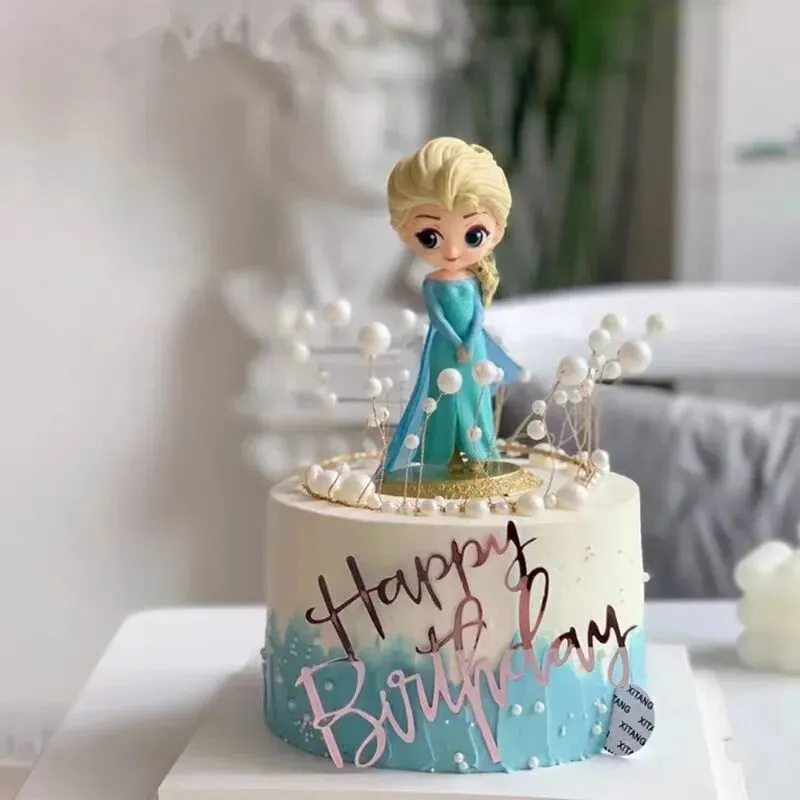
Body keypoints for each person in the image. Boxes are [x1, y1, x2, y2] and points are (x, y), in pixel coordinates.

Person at [383, 137, 522, 474]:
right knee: (441, 398)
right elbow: (437, 318)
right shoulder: (432, 283)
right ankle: (440, 454)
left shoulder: (471, 281)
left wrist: (469, 341)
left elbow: (477, 315)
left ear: (497, 232)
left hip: (473, 348)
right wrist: (457, 341)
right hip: (444, 348)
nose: (453, 252)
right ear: (404, 232)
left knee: (474, 396)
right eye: (430, 237)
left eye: (473, 235)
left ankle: (477, 452)